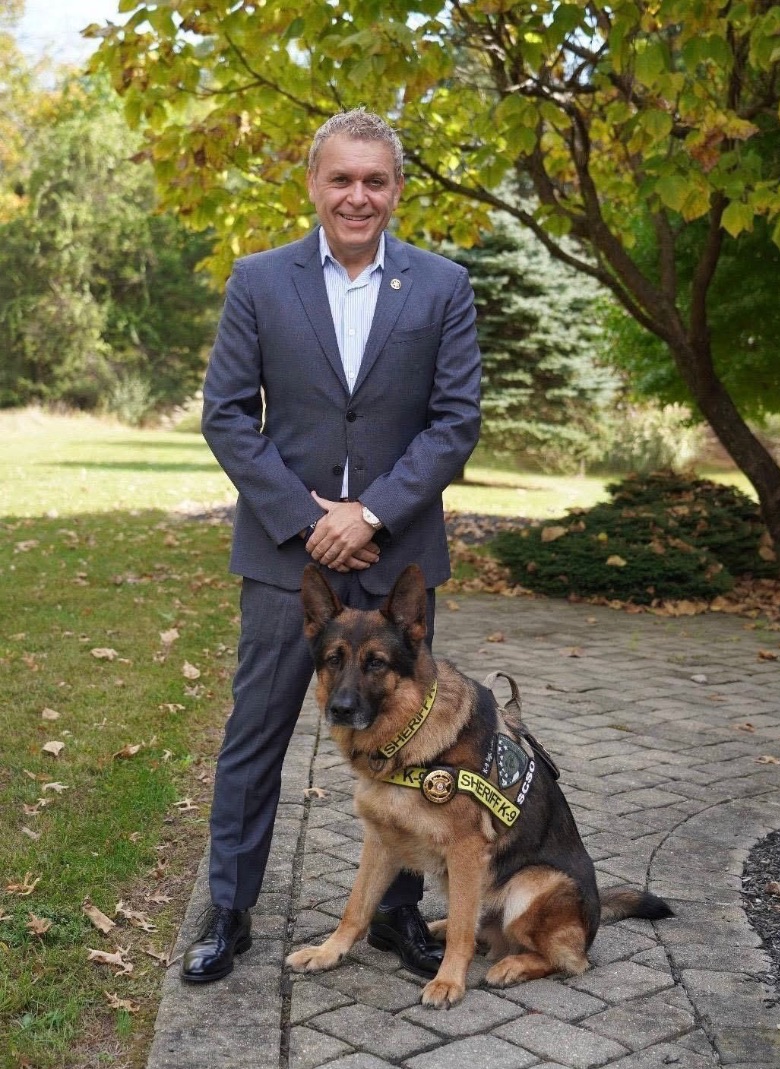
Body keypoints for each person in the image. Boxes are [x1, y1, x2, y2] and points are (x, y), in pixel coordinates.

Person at [181, 108, 481, 984]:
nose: (358, 195)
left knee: (415, 745)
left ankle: (396, 915)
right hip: (287, 561)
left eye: (375, 180)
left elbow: (455, 420)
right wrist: (307, 517)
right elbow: (227, 414)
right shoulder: (259, 281)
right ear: (313, 183)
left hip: (399, 567)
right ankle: (229, 910)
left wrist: (372, 513)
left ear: (396, 189)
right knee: (254, 737)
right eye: (341, 178)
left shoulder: (441, 286)